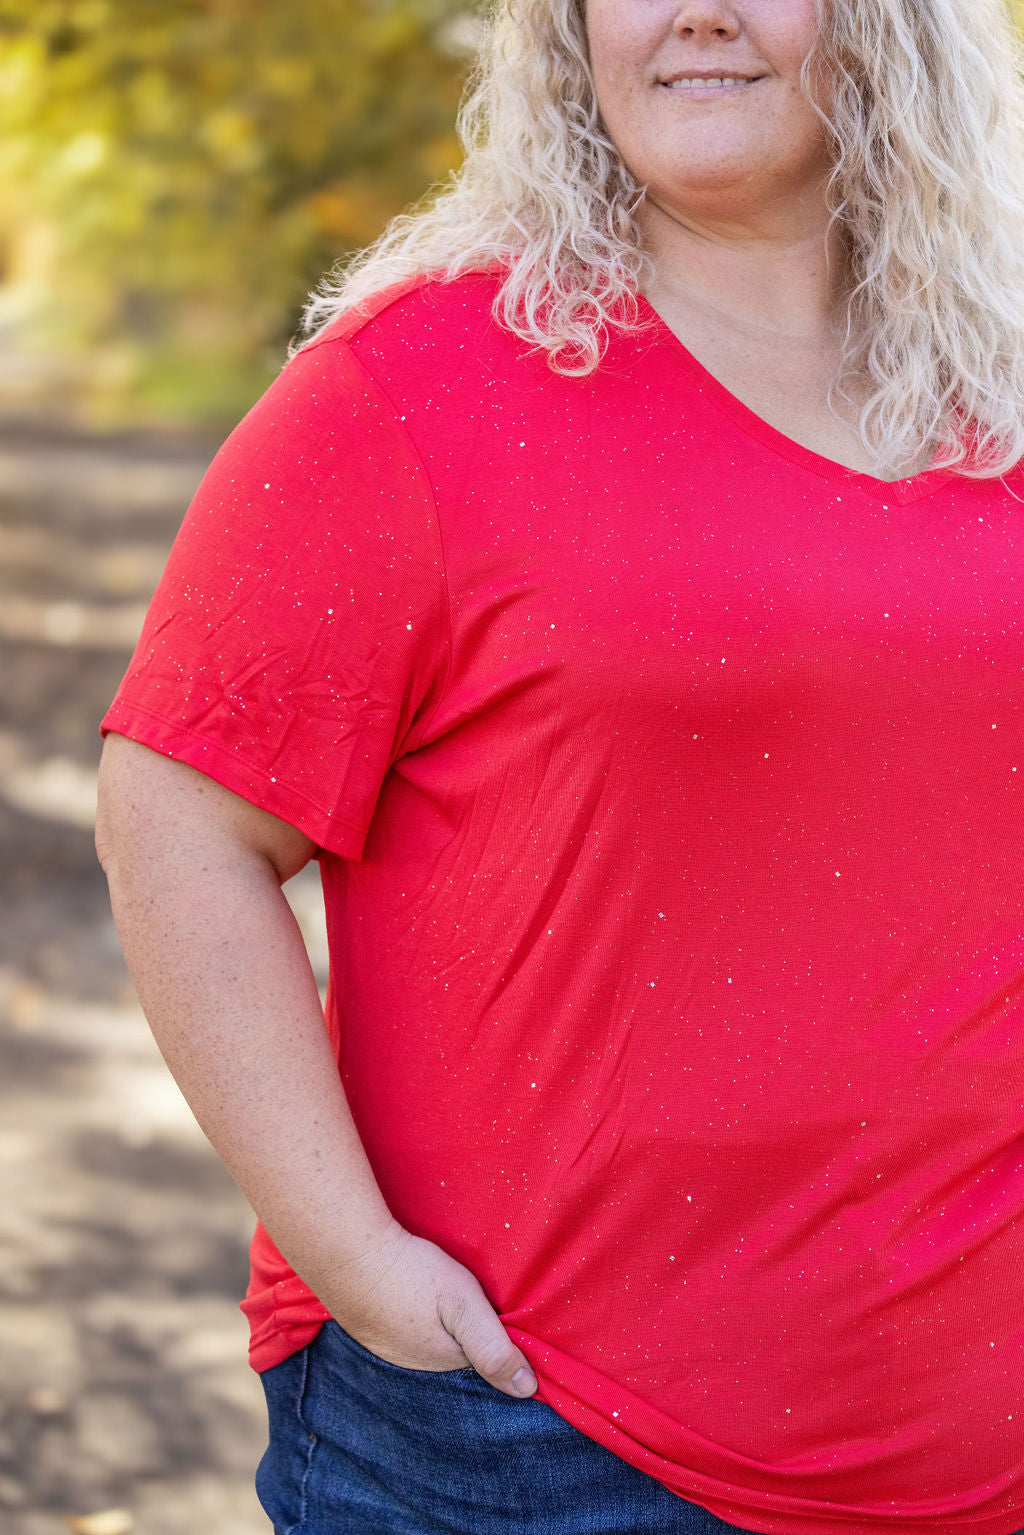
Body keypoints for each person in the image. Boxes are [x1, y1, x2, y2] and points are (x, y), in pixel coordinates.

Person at [95, 0, 1024, 1530]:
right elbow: (178, 816)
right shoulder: (424, 383)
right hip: (536, 1439)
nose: (695, 12)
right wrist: (355, 1264)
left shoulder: (994, 392)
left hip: (964, 1442)